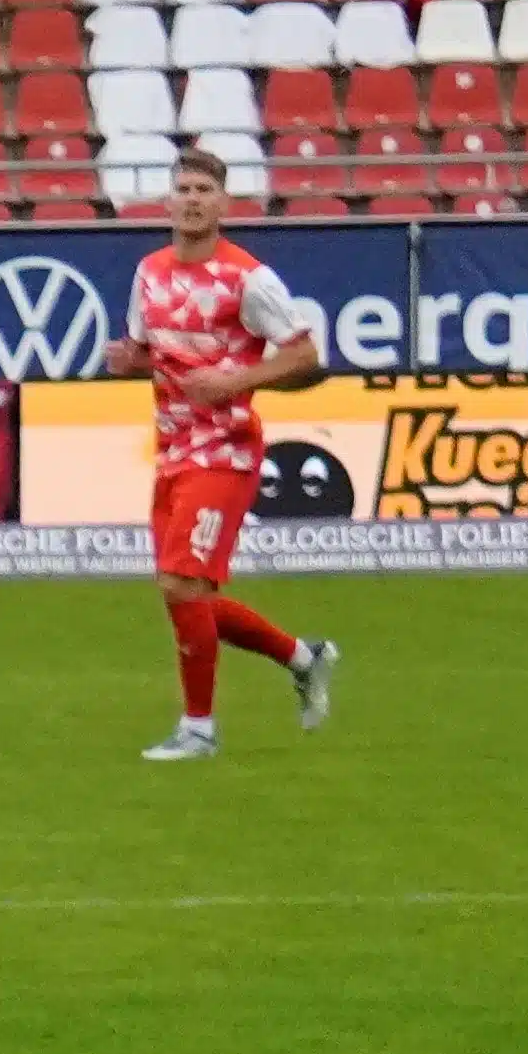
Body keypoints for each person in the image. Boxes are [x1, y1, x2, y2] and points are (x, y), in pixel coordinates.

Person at [99, 147, 342, 764]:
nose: (192, 198)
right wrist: (131, 363)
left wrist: (234, 382)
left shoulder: (249, 279)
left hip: (225, 452)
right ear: (169, 200)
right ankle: (302, 657)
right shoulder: (149, 272)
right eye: (183, 188)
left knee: (182, 585)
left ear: (223, 203)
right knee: (187, 594)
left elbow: (308, 358)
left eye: (204, 188)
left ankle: (199, 730)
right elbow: (154, 354)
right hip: (172, 449)